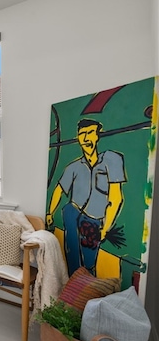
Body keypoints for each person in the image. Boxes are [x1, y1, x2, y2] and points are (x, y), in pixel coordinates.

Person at [46, 118, 126, 275]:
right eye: (82, 134)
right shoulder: (74, 167)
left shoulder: (111, 160)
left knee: (89, 263)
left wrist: (106, 226)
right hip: (72, 212)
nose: (86, 138)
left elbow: (116, 198)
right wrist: (50, 212)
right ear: (78, 138)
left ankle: (86, 291)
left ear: (97, 135)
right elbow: (58, 190)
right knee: (71, 256)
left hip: (94, 219)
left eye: (90, 133)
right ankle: (70, 289)